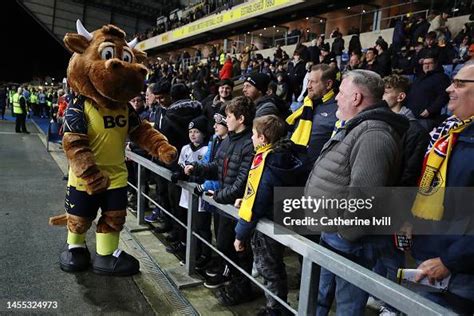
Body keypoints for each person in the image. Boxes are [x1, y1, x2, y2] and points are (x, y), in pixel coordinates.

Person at [305, 70, 408, 316]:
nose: (336, 98)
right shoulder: (360, 127)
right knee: (319, 296)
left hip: (348, 241)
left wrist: (345, 233)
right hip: (333, 234)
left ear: (356, 98)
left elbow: (364, 198)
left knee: (347, 307)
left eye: (341, 93)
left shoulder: (374, 134)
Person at [410, 65, 474, 314]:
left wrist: (450, 260)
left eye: (459, 83)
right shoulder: (448, 131)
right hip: (429, 255)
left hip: (457, 272)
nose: (449, 88)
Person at [184, 96, 255, 305]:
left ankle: (243, 287)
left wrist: (220, 196)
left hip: (236, 207)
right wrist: (196, 169)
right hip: (224, 205)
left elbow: (243, 181)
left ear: (240, 119)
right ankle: (233, 281)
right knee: (224, 244)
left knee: (240, 250)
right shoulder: (228, 141)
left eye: (229, 116)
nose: (225, 120)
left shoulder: (249, 143)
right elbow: (216, 165)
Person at [234, 115, 303, 315]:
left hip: (268, 224)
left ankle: (275, 309)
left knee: (269, 269)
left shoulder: (266, 161)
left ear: (263, 138)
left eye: (254, 135)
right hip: (286, 217)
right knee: (276, 268)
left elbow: (257, 200)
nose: (252, 139)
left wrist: (240, 233)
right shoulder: (289, 154)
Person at [286, 64, 338, 173]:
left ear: (328, 84)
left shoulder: (338, 110)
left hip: (317, 174)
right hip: (293, 168)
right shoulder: (306, 104)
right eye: (308, 81)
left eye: (313, 82)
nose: (308, 86)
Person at [405, 55, 450, 131]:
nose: (426, 66)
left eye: (429, 63)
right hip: (411, 116)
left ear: (436, 64)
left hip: (427, 118)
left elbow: (443, 96)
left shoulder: (442, 78)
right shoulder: (420, 78)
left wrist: (429, 111)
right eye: (424, 64)